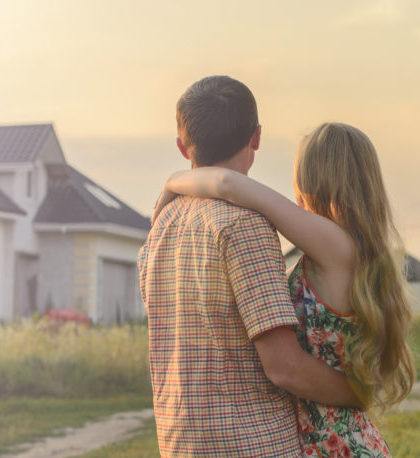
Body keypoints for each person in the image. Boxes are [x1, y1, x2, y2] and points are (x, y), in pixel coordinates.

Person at [151, 121, 416, 456]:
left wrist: (174, 180)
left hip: (333, 448)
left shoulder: (335, 245)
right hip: (347, 441)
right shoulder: (355, 252)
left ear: (312, 181)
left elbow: (226, 182)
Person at [138, 75, 362, 457]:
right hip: (252, 443)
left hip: (179, 444)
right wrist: (360, 393)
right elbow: (284, 367)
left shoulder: (160, 226)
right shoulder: (245, 225)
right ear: (256, 137)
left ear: (182, 147)